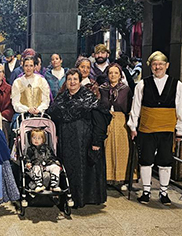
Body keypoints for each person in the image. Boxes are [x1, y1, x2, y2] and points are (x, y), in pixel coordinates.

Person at [128, 51, 182, 206]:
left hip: (167, 129)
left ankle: (164, 192)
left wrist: (180, 130)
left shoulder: (177, 85)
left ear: (167, 66)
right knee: (145, 160)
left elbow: (181, 109)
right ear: (150, 66)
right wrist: (133, 126)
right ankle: (146, 191)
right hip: (147, 128)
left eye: (161, 64)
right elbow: (136, 106)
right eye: (154, 64)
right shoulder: (142, 84)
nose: (158, 67)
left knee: (165, 161)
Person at [47, 69, 111, 208]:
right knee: (68, 169)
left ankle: (83, 199)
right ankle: (68, 197)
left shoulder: (89, 97)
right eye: (69, 79)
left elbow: (99, 121)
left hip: (85, 141)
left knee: (84, 170)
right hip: (66, 142)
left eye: (75, 79)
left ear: (80, 81)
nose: (72, 82)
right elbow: (54, 116)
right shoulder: (62, 98)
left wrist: (96, 141)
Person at [99, 63, 132, 190]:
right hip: (106, 119)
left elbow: (129, 106)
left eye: (116, 73)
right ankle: (107, 177)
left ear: (120, 75)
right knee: (107, 149)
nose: (113, 75)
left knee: (121, 149)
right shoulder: (102, 88)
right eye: (110, 73)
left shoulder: (125, 89)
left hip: (121, 120)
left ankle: (122, 178)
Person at [24, 128, 62, 192]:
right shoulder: (30, 149)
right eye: (34, 138)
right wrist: (28, 163)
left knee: (55, 167)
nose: (36, 140)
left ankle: (54, 185)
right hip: (36, 164)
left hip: (47, 164)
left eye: (39, 138)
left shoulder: (47, 148)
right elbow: (27, 157)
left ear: (43, 139)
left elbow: (51, 156)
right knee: (36, 168)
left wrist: (55, 161)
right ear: (31, 139)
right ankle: (39, 185)